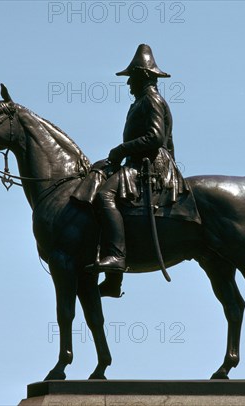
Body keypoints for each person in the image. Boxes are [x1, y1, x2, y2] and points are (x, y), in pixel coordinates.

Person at [87, 44, 190, 298]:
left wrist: (122, 150)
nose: (128, 83)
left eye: (131, 77)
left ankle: (116, 259)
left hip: (149, 164)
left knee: (104, 196)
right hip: (141, 162)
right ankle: (113, 282)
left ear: (144, 76)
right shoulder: (142, 101)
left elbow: (155, 138)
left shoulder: (151, 100)